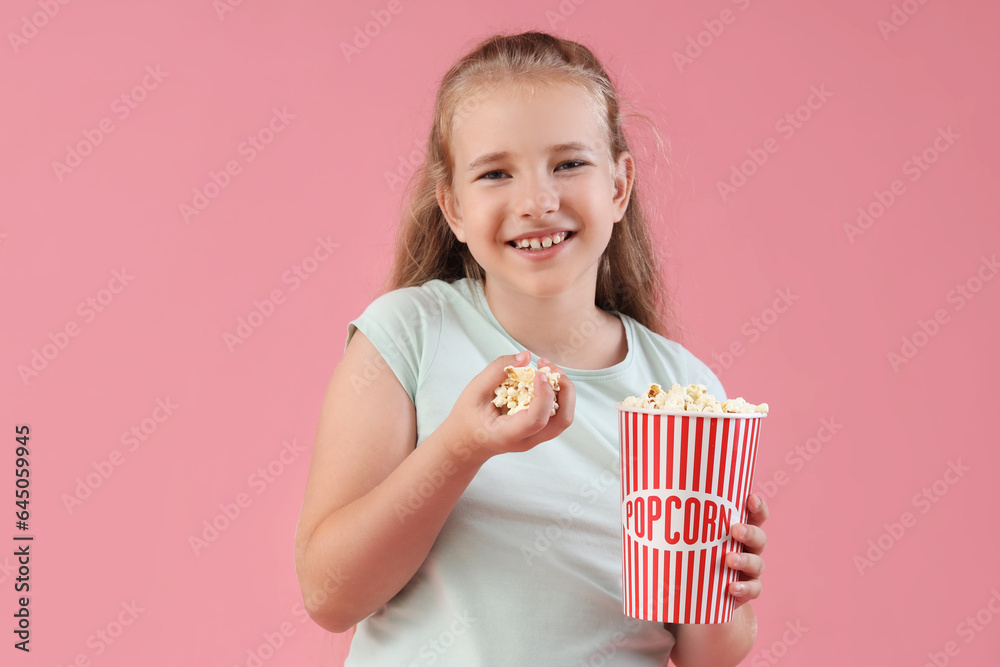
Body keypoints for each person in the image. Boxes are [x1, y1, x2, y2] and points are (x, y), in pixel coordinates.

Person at [294, 30, 769, 666]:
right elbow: (330, 594)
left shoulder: (683, 392)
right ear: (454, 208)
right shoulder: (409, 336)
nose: (537, 202)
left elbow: (705, 656)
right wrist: (461, 449)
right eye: (496, 173)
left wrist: (722, 589)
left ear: (619, 186)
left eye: (569, 164)